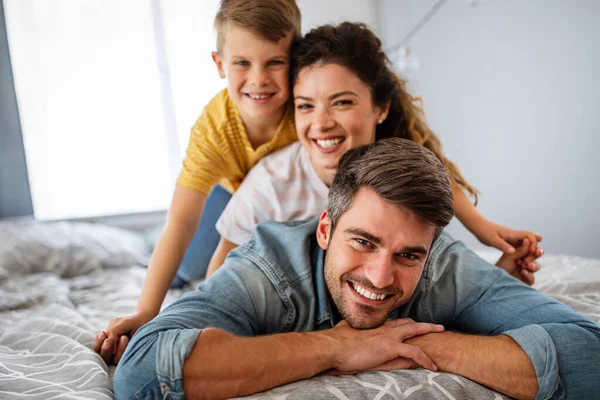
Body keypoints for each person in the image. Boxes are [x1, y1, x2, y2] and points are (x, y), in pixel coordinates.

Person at [113, 138, 600, 400]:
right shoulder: (266, 266)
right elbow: (143, 372)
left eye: (409, 255)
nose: (381, 277)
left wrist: (418, 342)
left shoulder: (444, 264)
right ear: (325, 229)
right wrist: (337, 346)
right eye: (363, 242)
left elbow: (590, 359)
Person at [206, 22, 542, 279]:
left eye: (342, 103)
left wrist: (488, 245)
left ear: (380, 108)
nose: (321, 123)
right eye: (305, 106)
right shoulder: (270, 185)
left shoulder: (401, 170)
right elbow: (217, 283)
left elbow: (426, 273)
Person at [93, 0, 301, 364]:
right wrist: (146, 311)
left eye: (275, 62)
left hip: (278, 207)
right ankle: (148, 247)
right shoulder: (214, 127)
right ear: (219, 64)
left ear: (295, 61)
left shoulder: (309, 112)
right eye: (242, 63)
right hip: (227, 195)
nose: (258, 79)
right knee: (189, 267)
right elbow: (182, 221)